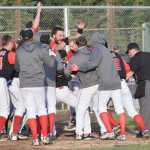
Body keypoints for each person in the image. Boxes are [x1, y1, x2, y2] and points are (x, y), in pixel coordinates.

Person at [15, 29, 55, 146]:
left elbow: (17, 68)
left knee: (31, 111)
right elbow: (51, 64)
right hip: (38, 82)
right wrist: (51, 54)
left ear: (22, 37)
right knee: (42, 109)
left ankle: (35, 139)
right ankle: (45, 137)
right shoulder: (39, 48)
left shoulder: (19, 51)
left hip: (25, 83)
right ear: (32, 37)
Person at [126, 42, 150, 131]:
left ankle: (144, 129)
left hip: (145, 83)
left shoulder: (135, 58)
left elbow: (130, 73)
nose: (129, 54)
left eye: (129, 52)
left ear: (133, 50)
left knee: (145, 107)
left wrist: (120, 80)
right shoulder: (148, 54)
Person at [0, 35, 15, 141]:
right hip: (2, 80)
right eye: (12, 42)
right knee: (5, 109)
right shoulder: (9, 53)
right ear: (9, 43)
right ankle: (1, 130)